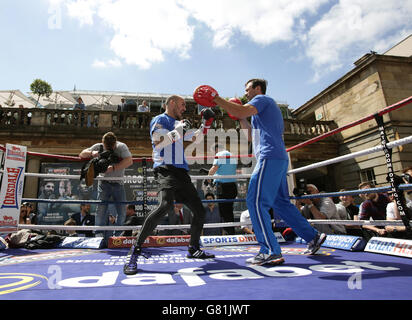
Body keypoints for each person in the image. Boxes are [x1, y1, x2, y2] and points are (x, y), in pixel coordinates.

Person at [205, 78, 326, 266]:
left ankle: (270, 250)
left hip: (270, 157)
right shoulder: (260, 111)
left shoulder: (262, 100)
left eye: (247, 89)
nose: (245, 93)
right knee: (281, 203)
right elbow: (250, 134)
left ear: (258, 89)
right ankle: (313, 237)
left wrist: (216, 99)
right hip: (276, 157)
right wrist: (242, 118)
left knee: (255, 200)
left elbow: (239, 109)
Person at [123, 95, 215, 275]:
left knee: (199, 211)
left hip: (181, 171)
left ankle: (193, 248)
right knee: (165, 205)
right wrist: (179, 130)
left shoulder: (180, 123)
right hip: (165, 169)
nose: (184, 108)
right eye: (182, 104)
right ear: (171, 103)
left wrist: (207, 123)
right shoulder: (160, 119)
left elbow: (196, 137)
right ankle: (134, 251)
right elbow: (158, 143)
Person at [79, 131, 133, 246]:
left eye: (110, 147)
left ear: (115, 144)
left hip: (118, 183)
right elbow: (81, 154)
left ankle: (117, 237)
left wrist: (113, 168)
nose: (108, 148)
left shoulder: (121, 146)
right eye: (106, 146)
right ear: (103, 143)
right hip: (103, 183)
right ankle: (99, 236)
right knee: (101, 210)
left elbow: (129, 161)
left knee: (122, 211)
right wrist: (92, 153)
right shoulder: (99, 147)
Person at [208, 144, 238, 235]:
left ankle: (228, 233)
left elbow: (214, 169)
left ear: (217, 149)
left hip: (223, 186)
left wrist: (209, 177)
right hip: (232, 186)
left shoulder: (219, 154)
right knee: (229, 210)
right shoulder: (232, 155)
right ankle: (231, 232)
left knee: (223, 211)